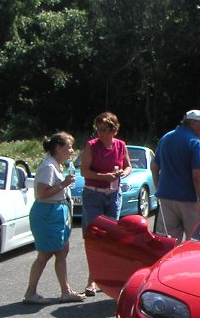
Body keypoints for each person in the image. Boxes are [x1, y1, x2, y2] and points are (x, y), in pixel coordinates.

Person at [23, 132, 85, 305]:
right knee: (44, 254)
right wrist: (64, 184)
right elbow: (42, 193)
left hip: (57, 211)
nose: (72, 151)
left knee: (62, 251)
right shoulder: (48, 166)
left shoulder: (56, 165)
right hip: (47, 212)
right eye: (69, 147)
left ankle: (66, 292)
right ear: (58, 148)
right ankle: (30, 293)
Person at [80, 111, 131, 296]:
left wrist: (124, 173)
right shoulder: (91, 146)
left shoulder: (120, 145)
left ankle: (106, 278)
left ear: (114, 130)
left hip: (114, 195)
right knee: (94, 237)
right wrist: (104, 177)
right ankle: (92, 280)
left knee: (110, 238)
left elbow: (128, 166)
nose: (101, 134)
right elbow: (84, 171)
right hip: (94, 195)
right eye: (99, 130)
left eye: (105, 130)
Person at [152, 109, 200, 241]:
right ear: (193, 123)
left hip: (166, 199)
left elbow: (154, 167)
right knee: (194, 241)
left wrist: (159, 189)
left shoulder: (166, 138)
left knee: (168, 242)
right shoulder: (195, 143)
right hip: (189, 201)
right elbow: (197, 177)